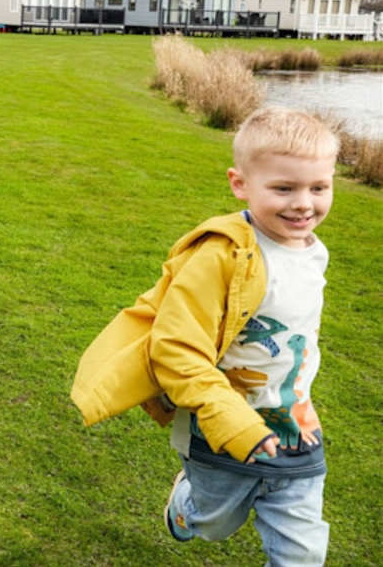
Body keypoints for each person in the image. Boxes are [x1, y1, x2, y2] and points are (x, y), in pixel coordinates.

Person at [71, 106, 340, 565]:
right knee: (214, 522)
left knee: (303, 548)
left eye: (319, 187)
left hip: (296, 428)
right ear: (240, 183)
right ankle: (186, 505)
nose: (304, 203)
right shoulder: (220, 257)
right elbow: (175, 348)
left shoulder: (313, 251)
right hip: (218, 427)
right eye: (284, 188)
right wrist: (233, 422)